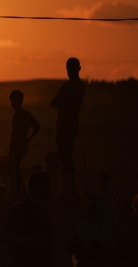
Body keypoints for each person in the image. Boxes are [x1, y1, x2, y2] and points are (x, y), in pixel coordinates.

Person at [50, 57, 85, 202]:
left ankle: (68, 191)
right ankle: (71, 190)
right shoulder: (80, 86)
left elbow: (54, 102)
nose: (68, 71)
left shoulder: (69, 86)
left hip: (65, 125)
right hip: (73, 124)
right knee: (67, 158)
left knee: (65, 159)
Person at [4, 171, 53, 267]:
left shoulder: (43, 212)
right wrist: (33, 242)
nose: (51, 189)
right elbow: (7, 238)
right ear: (40, 188)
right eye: (49, 186)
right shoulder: (18, 211)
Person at [67, 194, 119, 266]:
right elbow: (70, 246)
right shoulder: (86, 225)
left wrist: (82, 246)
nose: (89, 208)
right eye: (89, 205)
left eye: (93, 206)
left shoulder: (107, 227)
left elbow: (94, 250)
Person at [8, 90, 41, 201]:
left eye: (12, 101)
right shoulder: (27, 114)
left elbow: (16, 131)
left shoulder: (16, 115)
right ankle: (21, 193)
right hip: (23, 146)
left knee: (13, 171)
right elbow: (37, 126)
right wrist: (29, 138)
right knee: (16, 170)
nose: (11, 103)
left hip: (15, 147)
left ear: (15, 101)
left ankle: (17, 194)